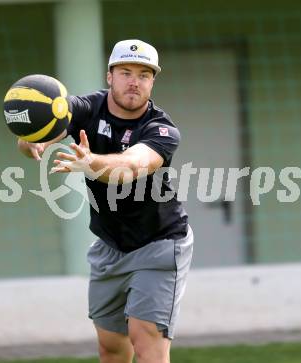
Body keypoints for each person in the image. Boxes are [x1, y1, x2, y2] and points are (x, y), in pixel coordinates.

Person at [18, 39, 193, 363]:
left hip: (158, 243)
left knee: (146, 343)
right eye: (126, 72)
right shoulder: (87, 108)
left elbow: (131, 167)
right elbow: (50, 125)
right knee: (111, 349)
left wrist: (91, 164)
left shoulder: (162, 129)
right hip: (110, 245)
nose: (134, 81)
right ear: (109, 76)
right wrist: (31, 138)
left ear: (152, 81)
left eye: (144, 74)